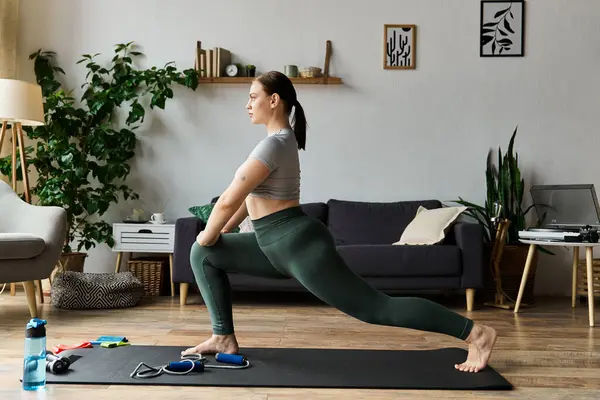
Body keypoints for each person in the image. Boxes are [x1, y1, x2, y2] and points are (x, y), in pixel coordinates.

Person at [182, 70, 497, 373]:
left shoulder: (274, 143)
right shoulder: (278, 141)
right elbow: (248, 199)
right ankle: (223, 336)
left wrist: (208, 234)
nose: (247, 105)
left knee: (376, 308)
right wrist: (220, 232)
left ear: (274, 100)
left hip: (295, 246)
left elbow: (228, 199)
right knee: (203, 254)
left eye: (253, 97)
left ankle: (475, 333)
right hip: (273, 244)